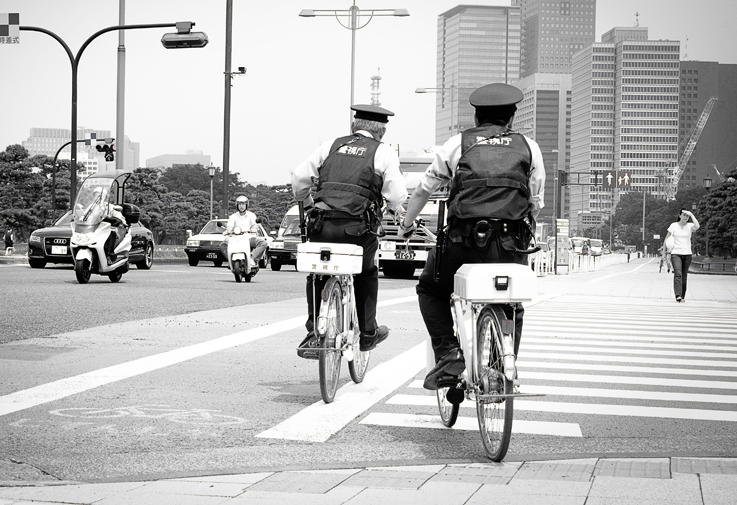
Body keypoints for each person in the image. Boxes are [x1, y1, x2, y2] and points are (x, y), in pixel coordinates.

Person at [397, 83, 545, 419]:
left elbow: (424, 190)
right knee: (511, 303)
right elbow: (535, 202)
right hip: (510, 244)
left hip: (464, 243)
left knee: (430, 289)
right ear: (511, 117)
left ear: (476, 116)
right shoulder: (529, 148)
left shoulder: (457, 144)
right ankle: (500, 369)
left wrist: (407, 223)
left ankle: (449, 353)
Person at [292, 104, 408, 358]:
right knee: (367, 273)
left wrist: (309, 204)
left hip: (321, 226)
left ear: (353, 127)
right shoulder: (383, 152)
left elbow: (300, 177)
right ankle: (367, 334)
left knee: (318, 271)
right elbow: (397, 195)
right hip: (357, 231)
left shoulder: (331, 145)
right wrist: (396, 209)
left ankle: (314, 330)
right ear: (382, 132)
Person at [219, 196, 268, 265]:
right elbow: (230, 225)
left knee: (263, 243)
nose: (241, 206)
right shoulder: (233, 216)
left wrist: (254, 229)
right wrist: (227, 230)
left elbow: (255, 224)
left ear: (246, 205)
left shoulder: (251, 215)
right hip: (236, 238)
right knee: (222, 245)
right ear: (237, 206)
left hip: (249, 238)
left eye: (243, 204)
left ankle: (253, 259)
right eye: (239, 204)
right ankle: (230, 260)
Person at [665, 209, 699, 302]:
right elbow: (667, 238)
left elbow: (697, 226)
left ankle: (682, 296)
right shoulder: (673, 225)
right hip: (676, 253)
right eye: (684, 215)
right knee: (678, 274)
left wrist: (691, 214)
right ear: (680, 216)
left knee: (684, 277)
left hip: (687, 254)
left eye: (687, 216)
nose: (686, 217)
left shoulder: (690, 226)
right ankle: (678, 295)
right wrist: (665, 252)